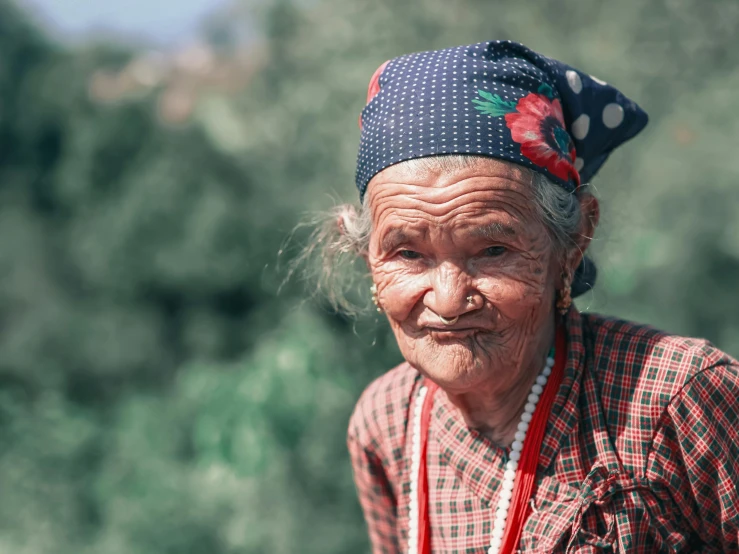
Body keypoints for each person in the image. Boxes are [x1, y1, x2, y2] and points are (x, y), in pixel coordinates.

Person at [319, 41, 739, 553]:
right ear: (368, 258)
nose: (449, 300)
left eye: (493, 249)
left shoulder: (679, 401)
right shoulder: (386, 422)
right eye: (408, 254)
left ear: (573, 240)